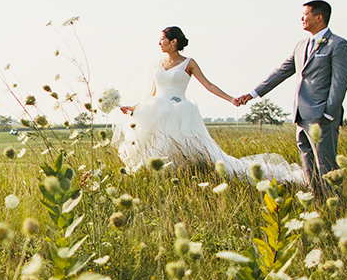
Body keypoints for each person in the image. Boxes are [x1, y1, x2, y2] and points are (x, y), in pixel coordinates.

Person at [111, 26, 309, 185]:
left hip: (180, 111)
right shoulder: (158, 64)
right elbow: (152, 94)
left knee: (189, 149)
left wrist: (231, 99)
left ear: (174, 42)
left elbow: (209, 85)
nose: (159, 43)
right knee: (153, 147)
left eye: (162, 39)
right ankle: (163, 180)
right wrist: (133, 107)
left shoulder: (188, 63)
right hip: (155, 110)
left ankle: (191, 175)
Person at [234, 0, 347, 195]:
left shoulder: (338, 44)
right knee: (309, 169)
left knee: (327, 167)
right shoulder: (301, 46)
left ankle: (336, 205)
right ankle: (317, 203)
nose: (301, 18)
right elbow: (281, 72)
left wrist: (329, 113)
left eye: (305, 14)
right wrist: (253, 94)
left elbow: (340, 81)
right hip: (301, 116)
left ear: (319, 17)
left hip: (322, 117)